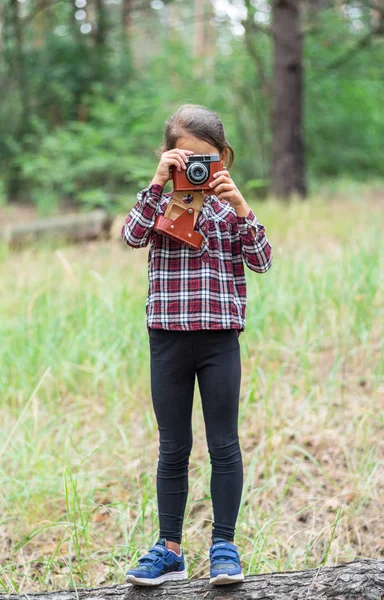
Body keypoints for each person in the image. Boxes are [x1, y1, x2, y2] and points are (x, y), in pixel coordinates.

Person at [121, 104, 273, 587]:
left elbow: (262, 261)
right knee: (173, 446)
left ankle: (224, 544)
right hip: (166, 337)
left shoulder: (229, 209)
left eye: (205, 161)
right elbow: (130, 236)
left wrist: (243, 206)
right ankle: (169, 549)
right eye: (184, 159)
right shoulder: (159, 205)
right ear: (168, 156)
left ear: (222, 159)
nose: (196, 170)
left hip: (218, 340)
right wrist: (158, 184)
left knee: (224, 443)